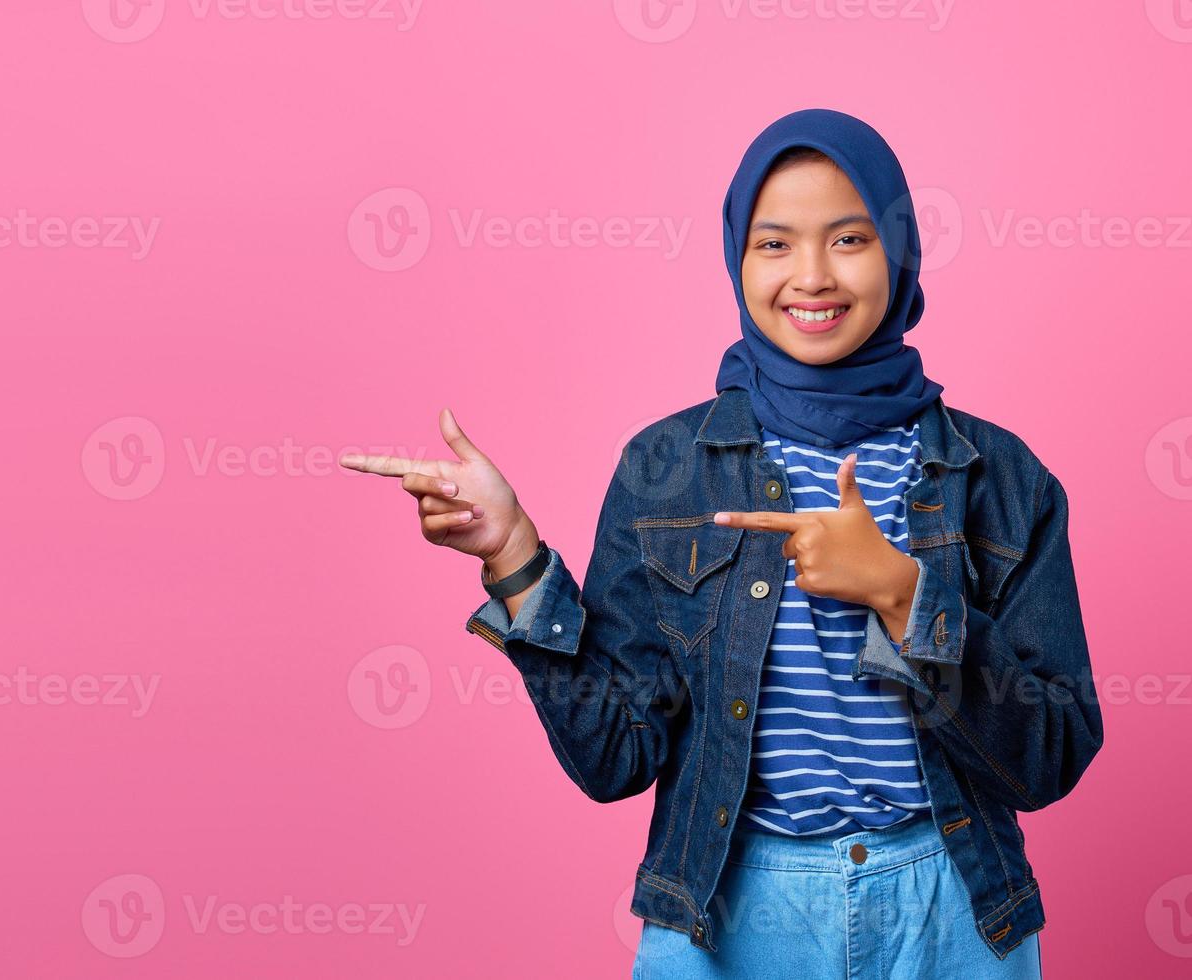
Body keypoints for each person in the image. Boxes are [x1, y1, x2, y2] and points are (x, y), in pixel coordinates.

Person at [340, 108, 1101, 978]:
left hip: (954, 911)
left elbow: (1051, 758)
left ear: (899, 252)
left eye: (848, 238)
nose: (810, 276)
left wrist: (902, 594)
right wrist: (514, 559)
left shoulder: (1000, 475)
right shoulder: (667, 467)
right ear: (736, 258)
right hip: (731, 910)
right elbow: (615, 758)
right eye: (773, 244)